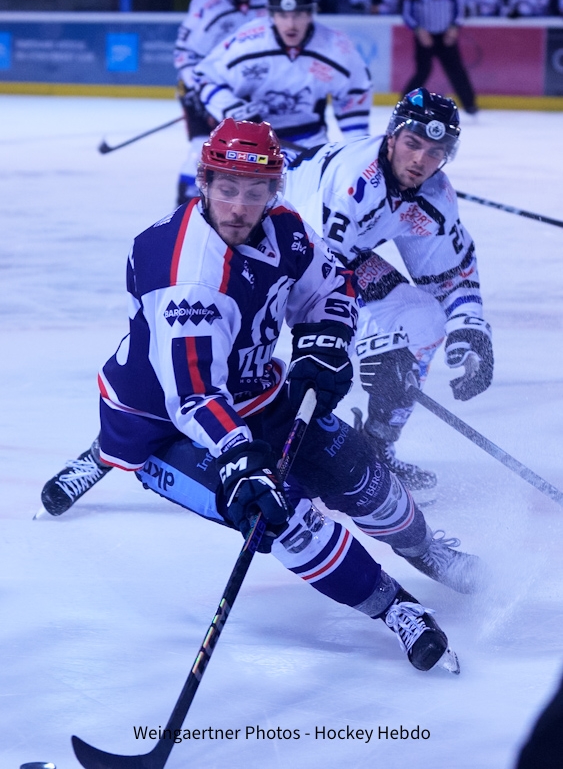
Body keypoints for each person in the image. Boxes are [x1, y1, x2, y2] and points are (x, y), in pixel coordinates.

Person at [39, 120, 485, 672]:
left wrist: (323, 343)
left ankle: (426, 549)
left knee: (367, 482)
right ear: (204, 183)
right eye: (226, 189)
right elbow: (196, 398)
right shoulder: (187, 276)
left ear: (275, 190)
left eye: (255, 192)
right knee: (283, 520)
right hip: (166, 421)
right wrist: (241, 462)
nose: (239, 207)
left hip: (253, 388)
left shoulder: (284, 228)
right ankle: (396, 609)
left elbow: (329, 286)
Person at [284, 88, 493, 491]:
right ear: (392, 136)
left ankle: (376, 447)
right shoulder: (354, 184)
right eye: (413, 144)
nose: (420, 160)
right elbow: (311, 279)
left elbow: (450, 276)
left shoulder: (434, 196)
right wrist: (371, 344)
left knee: (422, 322)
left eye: (435, 152)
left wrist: (469, 328)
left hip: (336, 256)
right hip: (273, 250)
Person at [192, 0, 372, 149]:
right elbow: (205, 76)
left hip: (310, 142)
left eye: (299, 14)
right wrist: (232, 108)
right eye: (282, 15)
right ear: (271, 15)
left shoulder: (336, 47)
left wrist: (355, 149)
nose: (291, 24)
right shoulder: (247, 42)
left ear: (311, 14)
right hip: (250, 142)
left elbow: (355, 92)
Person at [173, 0, 268, 204]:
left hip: (246, 93)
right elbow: (183, 54)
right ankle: (186, 206)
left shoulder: (269, 3)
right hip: (205, 89)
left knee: (249, 152)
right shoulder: (206, 6)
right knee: (201, 148)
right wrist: (195, 89)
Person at [403, 0, 478, 115]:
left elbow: (460, 10)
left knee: (456, 70)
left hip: (446, 36)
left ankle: (470, 105)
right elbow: (407, 13)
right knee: (423, 71)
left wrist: (453, 28)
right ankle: (405, 102)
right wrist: (419, 30)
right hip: (424, 37)